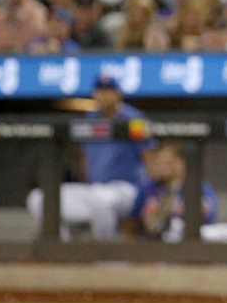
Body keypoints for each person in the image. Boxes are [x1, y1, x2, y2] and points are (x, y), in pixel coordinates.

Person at [26, 73, 154, 240]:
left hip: (127, 190)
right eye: (100, 91)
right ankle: (64, 253)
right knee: (39, 198)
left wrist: (148, 195)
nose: (104, 95)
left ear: (118, 93)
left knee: (100, 200)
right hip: (95, 189)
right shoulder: (89, 118)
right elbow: (85, 158)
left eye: (108, 90)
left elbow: (150, 159)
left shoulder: (133, 118)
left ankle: (107, 258)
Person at [120, 140, 219, 242]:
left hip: (190, 244)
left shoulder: (198, 187)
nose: (164, 167)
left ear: (182, 162)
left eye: (169, 163)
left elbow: (209, 216)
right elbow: (132, 224)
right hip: (152, 245)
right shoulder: (147, 188)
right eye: (160, 163)